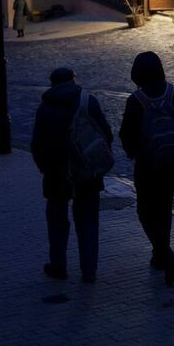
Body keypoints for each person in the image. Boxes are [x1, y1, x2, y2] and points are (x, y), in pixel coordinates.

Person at [119, 51, 174, 286]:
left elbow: (125, 135)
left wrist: (133, 152)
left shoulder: (136, 100)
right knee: (164, 206)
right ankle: (160, 255)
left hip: (148, 165)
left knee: (145, 210)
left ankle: (165, 255)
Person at [30, 67, 112, 283]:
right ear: (73, 79)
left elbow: (37, 144)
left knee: (56, 219)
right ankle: (89, 270)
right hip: (86, 172)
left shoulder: (45, 108)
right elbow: (106, 135)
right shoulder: (88, 101)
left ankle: (58, 265)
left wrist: (44, 167)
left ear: (52, 83)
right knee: (88, 222)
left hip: (56, 173)